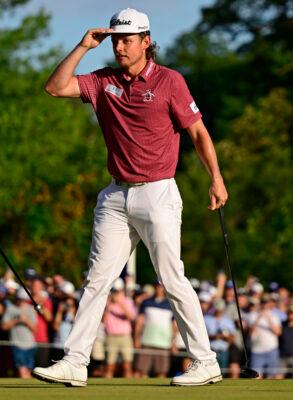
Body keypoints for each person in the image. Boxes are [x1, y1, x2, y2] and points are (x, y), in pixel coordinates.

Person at [32, 7, 228, 387]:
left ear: (146, 42)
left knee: (172, 278)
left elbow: (199, 134)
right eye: (116, 39)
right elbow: (55, 88)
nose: (119, 46)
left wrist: (216, 178)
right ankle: (75, 361)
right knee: (96, 280)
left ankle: (205, 361)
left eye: (127, 40)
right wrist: (82, 47)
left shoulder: (170, 81)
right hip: (115, 196)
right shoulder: (103, 80)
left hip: (158, 191)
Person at [2, 288, 37, 378]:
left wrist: (26, 321)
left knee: (28, 372)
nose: (22, 302)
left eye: (24, 300)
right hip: (17, 344)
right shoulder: (10, 309)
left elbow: (35, 329)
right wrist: (16, 320)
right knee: (22, 371)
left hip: (30, 345)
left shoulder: (31, 309)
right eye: (20, 299)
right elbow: (4, 326)